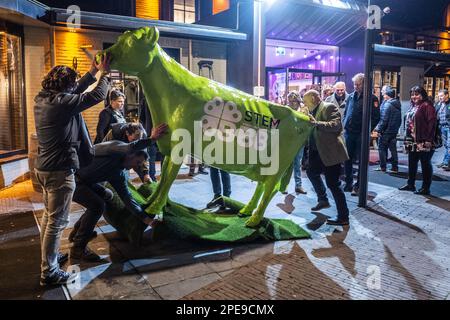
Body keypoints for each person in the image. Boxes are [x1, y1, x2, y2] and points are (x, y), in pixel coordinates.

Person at [34, 54, 111, 286]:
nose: (72, 88)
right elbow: (96, 95)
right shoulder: (61, 104)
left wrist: (92, 72)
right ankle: (49, 272)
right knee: (57, 222)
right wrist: (105, 74)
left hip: (45, 168)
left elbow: (76, 90)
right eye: (70, 84)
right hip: (59, 171)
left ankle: (50, 258)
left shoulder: (44, 98)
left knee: (49, 218)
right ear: (64, 87)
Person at [69, 126, 167, 261]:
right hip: (72, 178)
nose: (135, 167)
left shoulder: (119, 173)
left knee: (108, 195)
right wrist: (152, 139)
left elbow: (127, 198)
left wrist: (147, 220)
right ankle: (78, 248)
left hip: (87, 182)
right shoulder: (115, 148)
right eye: (137, 162)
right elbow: (129, 147)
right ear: (131, 155)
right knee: (97, 206)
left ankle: (79, 231)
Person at [303, 90, 350, 226]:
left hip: (330, 152)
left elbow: (336, 126)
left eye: (305, 101)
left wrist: (317, 123)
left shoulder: (328, 107)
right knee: (312, 173)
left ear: (313, 98)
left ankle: (343, 216)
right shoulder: (311, 111)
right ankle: (323, 199)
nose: (304, 104)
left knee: (333, 184)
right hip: (317, 152)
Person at [342, 73, 380, 196]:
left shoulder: (371, 98)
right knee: (347, 159)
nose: (355, 86)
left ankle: (358, 186)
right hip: (348, 133)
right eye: (354, 84)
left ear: (364, 85)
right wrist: (344, 124)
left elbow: (376, 117)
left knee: (361, 161)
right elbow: (346, 113)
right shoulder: (351, 97)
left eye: (358, 84)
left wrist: (367, 130)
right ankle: (348, 183)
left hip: (360, 135)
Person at [399, 86, 437, 195]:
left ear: (423, 95)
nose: (414, 96)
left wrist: (429, 139)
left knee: (425, 164)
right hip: (412, 140)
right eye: (412, 94)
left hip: (423, 140)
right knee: (412, 163)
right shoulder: (414, 106)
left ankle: (426, 188)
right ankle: (410, 184)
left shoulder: (427, 106)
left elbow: (432, 123)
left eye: (416, 94)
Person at [373, 86, 402, 172]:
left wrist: (378, 130)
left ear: (387, 94)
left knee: (382, 148)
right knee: (393, 149)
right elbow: (399, 119)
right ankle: (395, 167)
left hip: (385, 131)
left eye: (383, 91)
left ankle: (383, 167)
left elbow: (384, 119)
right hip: (393, 131)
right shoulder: (396, 103)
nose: (381, 92)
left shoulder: (387, 104)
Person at [287, 91, 308, 194]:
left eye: (294, 100)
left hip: (300, 139)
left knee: (297, 163)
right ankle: (284, 186)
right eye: (290, 101)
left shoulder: (304, 109)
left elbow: (307, 122)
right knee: (286, 163)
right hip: (289, 139)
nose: (292, 103)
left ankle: (298, 185)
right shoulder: (286, 109)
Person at [139, 97, 160, 181]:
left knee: (151, 157)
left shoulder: (146, 98)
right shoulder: (165, 96)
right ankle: (164, 178)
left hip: (150, 131)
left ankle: (152, 177)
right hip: (165, 131)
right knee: (165, 157)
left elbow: (142, 118)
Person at [435, 89, 450, 170]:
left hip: (449, 127)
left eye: (441, 96)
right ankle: (446, 162)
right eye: (439, 96)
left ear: (447, 95)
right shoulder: (438, 104)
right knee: (446, 145)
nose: (440, 97)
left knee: (449, 145)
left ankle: (446, 162)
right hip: (441, 127)